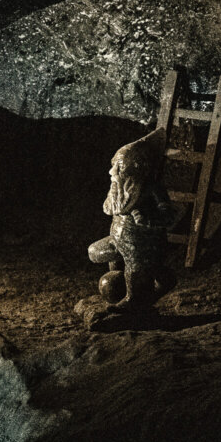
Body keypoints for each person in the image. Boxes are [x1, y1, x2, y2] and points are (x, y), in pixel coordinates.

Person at [88, 127, 178, 311]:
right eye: (114, 165)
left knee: (135, 267)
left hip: (142, 246)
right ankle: (121, 290)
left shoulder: (151, 188)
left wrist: (150, 218)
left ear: (135, 166)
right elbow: (112, 206)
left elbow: (168, 214)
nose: (112, 172)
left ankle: (133, 300)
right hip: (119, 240)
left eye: (119, 166)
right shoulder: (118, 191)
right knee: (96, 251)